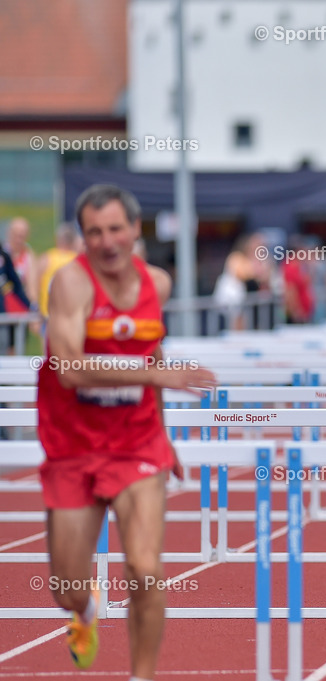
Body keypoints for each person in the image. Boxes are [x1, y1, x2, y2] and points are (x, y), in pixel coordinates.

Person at [39, 184, 216, 679]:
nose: (107, 241)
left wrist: (163, 433)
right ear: (82, 239)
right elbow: (70, 369)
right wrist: (153, 376)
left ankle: (142, 676)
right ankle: (85, 610)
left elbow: (152, 353)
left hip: (136, 442)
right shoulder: (69, 285)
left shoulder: (155, 284)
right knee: (66, 587)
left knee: (145, 569)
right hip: (73, 443)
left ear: (136, 230)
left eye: (116, 229)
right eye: (94, 232)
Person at [37, 222, 82, 320]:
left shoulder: (46, 258)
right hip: (71, 314)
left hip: (48, 313)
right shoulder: (77, 260)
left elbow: (36, 285)